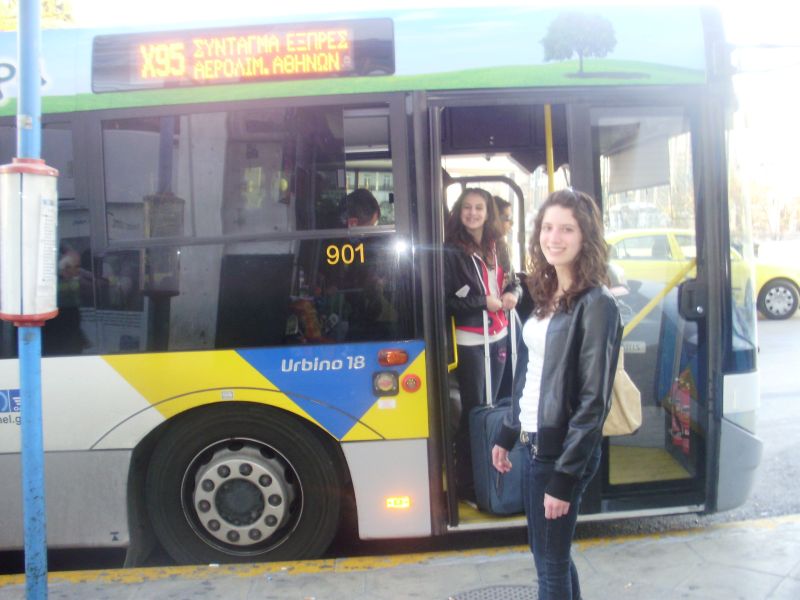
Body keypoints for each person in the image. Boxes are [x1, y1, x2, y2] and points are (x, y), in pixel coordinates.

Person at [491, 188, 622, 600]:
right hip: (534, 443)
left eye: (567, 229)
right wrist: (508, 431)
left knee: (549, 566)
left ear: (586, 236)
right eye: (548, 228)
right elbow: (531, 373)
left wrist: (565, 476)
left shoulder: (596, 304)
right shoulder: (548, 293)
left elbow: (593, 402)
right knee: (550, 556)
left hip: (560, 450)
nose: (554, 238)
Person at [444, 187, 521, 500]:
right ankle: (467, 482)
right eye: (467, 207)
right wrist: (483, 303)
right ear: (459, 211)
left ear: (488, 212)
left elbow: (513, 281)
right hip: (470, 341)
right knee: (474, 412)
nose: (473, 213)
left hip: (500, 336)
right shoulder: (450, 250)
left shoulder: (497, 245)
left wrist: (513, 294)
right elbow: (446, 301)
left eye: (479, 207)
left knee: (494, 408)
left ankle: (493, 476)